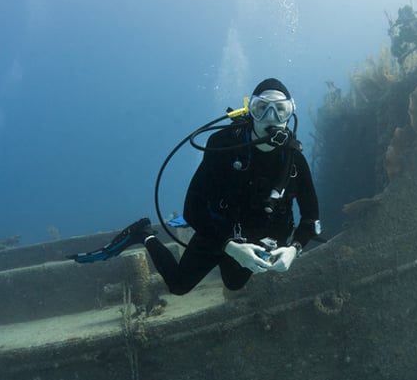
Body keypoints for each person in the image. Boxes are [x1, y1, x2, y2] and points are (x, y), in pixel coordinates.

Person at [69, 78, 321, 295]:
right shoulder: (223, 145)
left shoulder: (293, 159)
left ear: (290, 115)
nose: (271, 118)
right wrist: (230, 247)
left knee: (234, 284)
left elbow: (311, 217)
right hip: (217, 230)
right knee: (179, 285)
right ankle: (143, 234)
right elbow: (192, 209)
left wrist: (293, 250)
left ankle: (231, 259)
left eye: (281, 110)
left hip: (256, 234)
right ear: (249, 112)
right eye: (261, 108)